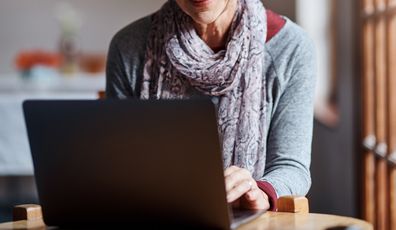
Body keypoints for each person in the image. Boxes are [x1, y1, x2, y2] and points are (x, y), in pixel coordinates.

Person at [106, 0, 315, 212]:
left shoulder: (291, 47)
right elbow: (120, 167)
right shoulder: (128, 47)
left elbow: (291, 167)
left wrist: (259, 192)